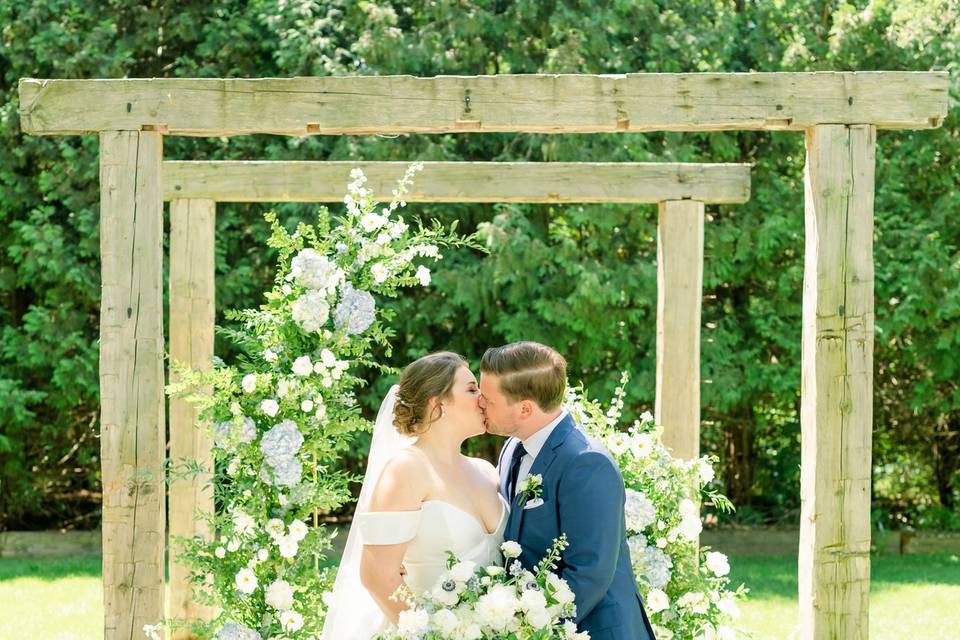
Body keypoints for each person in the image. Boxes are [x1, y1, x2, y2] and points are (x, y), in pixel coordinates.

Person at [320, 352, 508, 639]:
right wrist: (430, 632)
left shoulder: (486, 471)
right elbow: (377, 575)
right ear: (438, 403)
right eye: (471, 389)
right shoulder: (406, 470)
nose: (483, 398)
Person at [480, 341, 656, 640]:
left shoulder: (587, 462)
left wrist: (531, 629)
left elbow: (590, 572)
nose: (480, 404)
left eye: (489, 399)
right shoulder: (512, 448)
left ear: (525, 408)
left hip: (594, 629)